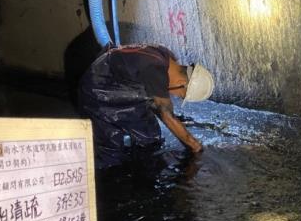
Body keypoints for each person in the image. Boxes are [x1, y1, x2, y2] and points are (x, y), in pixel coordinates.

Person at [79, 44, 214, 169]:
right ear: (181, 82)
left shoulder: (166, 58)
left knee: (149, 136)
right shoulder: (155, 70)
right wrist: (194, 145)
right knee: (111, 148)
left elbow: (158, 104)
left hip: (117, 83)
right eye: (181, 95)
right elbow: (166, 114)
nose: (176, 96)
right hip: (98, 90)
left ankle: (142, 164)